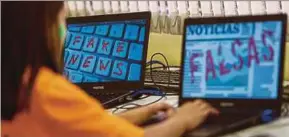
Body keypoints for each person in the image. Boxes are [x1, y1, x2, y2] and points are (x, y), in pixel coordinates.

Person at [1, 1, 218, 137]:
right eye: (61, 18)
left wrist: (140, 113)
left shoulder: (16, 84)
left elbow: (87, 128)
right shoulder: (45, 90)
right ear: (42, 26)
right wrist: (184, 119)